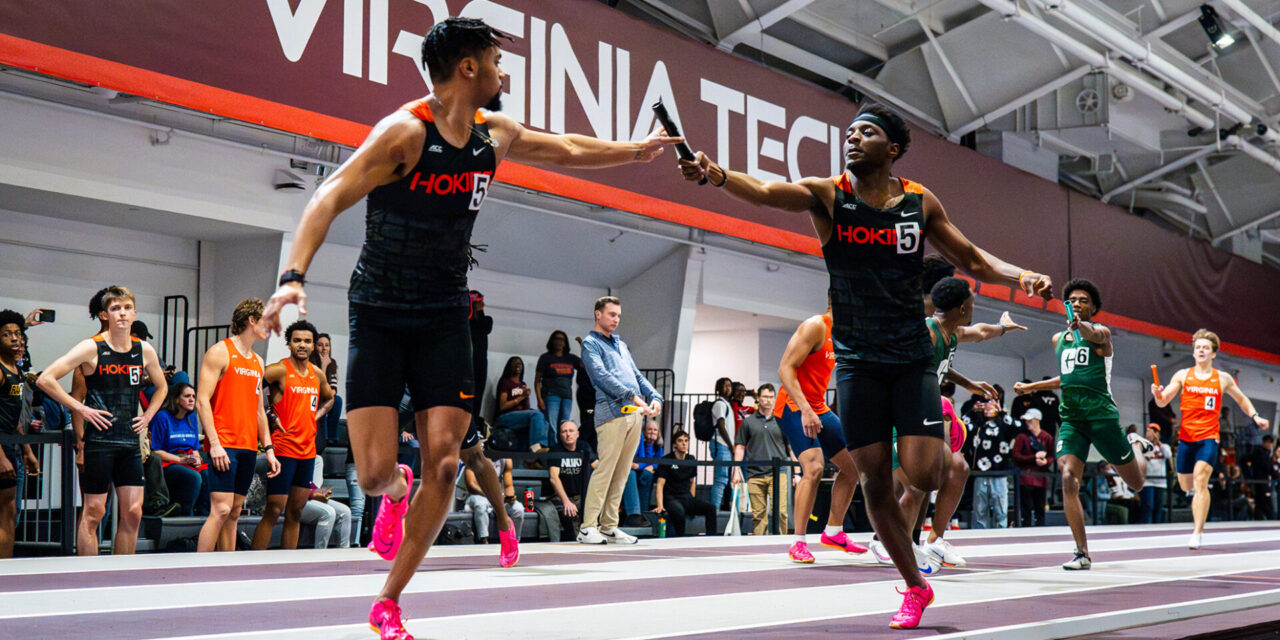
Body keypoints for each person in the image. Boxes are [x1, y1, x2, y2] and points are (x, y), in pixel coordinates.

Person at [258, 15, 679, 638]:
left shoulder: (496, 134)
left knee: (449, 465)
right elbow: (329, 196)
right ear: (468, 68)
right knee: (373, 473)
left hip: (446, 314)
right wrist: (293, 275)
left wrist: (637, 151)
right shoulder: (403, 133)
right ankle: (394, 494)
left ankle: (389, 599)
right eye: (496, 61)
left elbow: (565, 148)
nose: (504, 73)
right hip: (379, 310)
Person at [679, 103, 1053, 629]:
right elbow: (763, 191)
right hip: (856, 362)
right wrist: (715, 174)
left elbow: (971, 257)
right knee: (874, 478)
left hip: (910, 356)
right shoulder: (828, 195)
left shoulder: (919, 203)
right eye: (849, 132)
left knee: (926, 471)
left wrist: (1023, 275)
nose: (853, 139)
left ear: (893, 148)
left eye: (867, 132)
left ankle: (913, 531)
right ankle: (914, 587)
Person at [1014, 279, 1151, 570]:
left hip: (1102, 417)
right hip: (1072, 419)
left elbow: (1095, 334)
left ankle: (1136, 444)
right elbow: (1067, 377)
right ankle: (1082, 553)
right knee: (1067, 476)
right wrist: (1033, 387)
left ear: (1094, 308)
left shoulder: (1101, 333)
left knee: (1136, 484)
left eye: (1084, 300)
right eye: (1073, 299)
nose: (1077, 302)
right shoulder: (1058, 340)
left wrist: (1081, 326)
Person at [36, 287, 166, 556]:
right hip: (100, 442)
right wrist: (81, 409)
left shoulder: (145, 350)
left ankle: (121, 574)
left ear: (135, 313)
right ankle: (88, 576)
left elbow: (162, 388)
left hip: (129, 441)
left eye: (127, 307)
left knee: (133, 511)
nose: (122, 313)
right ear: (105, 314)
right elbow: (45, 379)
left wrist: (149, 415)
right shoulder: (92, 346)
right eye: (116, 308)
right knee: (95, 511)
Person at [1151, 328, 1271, 548]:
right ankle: (1195, 498)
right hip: (1186, 438)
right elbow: (1163, 400)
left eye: (1206, 348)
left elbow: (1241, 399)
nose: (1201, 351)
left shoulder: (1222, 379)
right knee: (1185, 484)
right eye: (1198, 348)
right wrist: (1158, 394)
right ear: (1194, 352)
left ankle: (1197, 532)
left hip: (1209, 437)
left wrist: (1255, 416)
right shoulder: (1182, 375)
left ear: (1213, 353)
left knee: (1200, 480)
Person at [774, 307, 868, 563]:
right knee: (814, 468)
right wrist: (805, 409)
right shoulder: (816, 326)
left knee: (854, 468)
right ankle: (798, 542)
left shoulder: (846, 334)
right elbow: (785, 369)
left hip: (818, 407)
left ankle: (834, 532)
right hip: (793, 406)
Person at [194, 298, 280, 553]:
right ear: (252, 321)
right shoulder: (221, 351)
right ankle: (197, 571)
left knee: (234, 513)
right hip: (224, 444)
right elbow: (201, 401)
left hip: (248, 446)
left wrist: (269, 448)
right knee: (220, 510)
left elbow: (258, 410)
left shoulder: (258, 361)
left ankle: (227, 571)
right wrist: (216, 445)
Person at [578, 296, 661, 544]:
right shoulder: (591, 344)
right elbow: (600, 377)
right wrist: (632, 396)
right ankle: (587, 527)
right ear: (598, 314)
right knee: (605, 470)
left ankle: (608, 525)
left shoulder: (621, 345)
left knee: (623, 472)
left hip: (634, 414)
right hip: (611, 414)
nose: (616, 319)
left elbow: (636, 375)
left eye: (618, 316)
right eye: (612, 314)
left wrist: (655, 395)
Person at [252, 320, 334, 550]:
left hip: (307, 452)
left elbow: (330, 398)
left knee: (296, 511)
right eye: (297, 340)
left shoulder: (317, 374)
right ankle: (253, 562)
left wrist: (316, 416)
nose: (302, 345)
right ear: (289, 343)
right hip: (283, 449)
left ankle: (289, 563)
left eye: (307, 341)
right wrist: (268, 413)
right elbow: (252, 388)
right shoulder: (279, 369)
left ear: (313, 346)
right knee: (274, 509)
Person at [0, 310, 41, 558]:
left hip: (12, 447)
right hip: (2, 450)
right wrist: (1, 457)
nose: (15, 339)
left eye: (18, 334)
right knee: (5, 512)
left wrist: (27, 450)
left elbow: (15, 417)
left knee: (9, 512)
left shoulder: (15, 371)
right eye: (7, 335)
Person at [732, 384, 791, 537]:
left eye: (771, 397)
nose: (768, 400)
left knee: (781, 512)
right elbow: (739, 446)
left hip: (779, 473)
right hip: (755, 473)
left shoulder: (781, 421)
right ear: (758, 398)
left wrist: (797, 473)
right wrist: (736, 470)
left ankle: (782, 543)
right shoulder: (748, 422)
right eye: (765, 397)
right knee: (758, 515)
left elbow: (790, 447)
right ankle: (760, 545)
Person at [148, 382, 212, 516]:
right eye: (187, 396)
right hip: (169, 460)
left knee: (208, 475)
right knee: (194, 477)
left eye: (193, 397)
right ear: (176, 399)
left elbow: (195, 447)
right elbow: (155, 451)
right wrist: (179, 459)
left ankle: (204, 517)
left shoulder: (192, 418)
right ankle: (185, 516)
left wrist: (197, 459)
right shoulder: (162, 417)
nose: (191, 400)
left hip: (188, 459)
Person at [533, 420, 597, 541]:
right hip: (559, 497)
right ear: (560, 435)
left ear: (577, 434)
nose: (568, 434)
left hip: (581, 496)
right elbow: (554, 477)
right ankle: (574, 544)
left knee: (592, 512)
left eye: (571, 431)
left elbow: (598, 467)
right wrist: (566, 501)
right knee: (569, 514)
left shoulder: (584, 447)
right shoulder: (557, 450)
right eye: (564, 431)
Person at [655, 430, 717, 537]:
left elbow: (692, 482)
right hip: (671, 498)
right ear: (674, 445)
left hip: (686, 497)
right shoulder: (667, 460)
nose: (684, 443)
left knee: (711, 508)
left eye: (686, 441)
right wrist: (660, 505)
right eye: (680, 441)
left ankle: (711, 538)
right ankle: (681, 539)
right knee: (679, 511)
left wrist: (691, 499)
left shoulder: (691, 459)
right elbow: (660, 484)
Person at [456, 450, 524, 544]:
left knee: (518, 508)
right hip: (477, 495)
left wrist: (509, 497)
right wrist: (492, 495)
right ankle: (484, 539)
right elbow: (472, 485)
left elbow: (508, 486)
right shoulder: (476, 456)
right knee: (481, 504)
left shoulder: (506, 460)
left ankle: (514, 540)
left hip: (497, 497)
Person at [494, 357, 551, 453]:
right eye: (514, 363)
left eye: (519, 364)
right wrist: (521, 397)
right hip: (505, 417)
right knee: (536, 414)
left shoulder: (522, 384)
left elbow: (526, 409)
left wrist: (526, 397)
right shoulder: (506, 382)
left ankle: (542, 452)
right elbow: (502, 406)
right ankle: (536, 448)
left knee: (543, 419)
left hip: (519, 416)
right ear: (509, 366)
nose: (517, 366)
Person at [1012, 408, 1055, 527]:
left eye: (1030, 420)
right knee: (1026, 507)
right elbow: (1016, 455)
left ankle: (1040, 528)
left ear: (1037, 420)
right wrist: (1033, 458)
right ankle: (1026, 527)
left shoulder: (1047, 437)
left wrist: (1046, 462)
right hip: (1025, 477)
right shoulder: (1022, 437)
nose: (1027, 423)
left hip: (1041, 478)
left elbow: (1052, 455)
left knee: (1040, 507)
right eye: (1026, 421)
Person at [536, 330, 582, 429]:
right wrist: (539, 399)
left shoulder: (571, 358)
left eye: (562, 339)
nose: (559, 342)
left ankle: (562, 444)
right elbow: (537, 381)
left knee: (564, 425)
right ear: (552, 341)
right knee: (551, 425)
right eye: (556, 339)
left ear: (565, 343)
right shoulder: (545, 358)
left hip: (567, 396)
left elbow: (585, 365)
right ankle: (552, 444)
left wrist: (582, 345)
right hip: (551, 395)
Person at [622, 420, 663, 525]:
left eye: (655, 430)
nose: (652, 432)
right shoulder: (640, 439)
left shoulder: (659, 447)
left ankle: (642, 514)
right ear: (644, 431)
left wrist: (652, 466)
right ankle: (634, 515)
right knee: (633, 474)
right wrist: (641, 465)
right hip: (635, 469)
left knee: (647, 475)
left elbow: (659, 462)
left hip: (645, 472)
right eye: (649, 429)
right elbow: (643, 458)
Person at [309, 333, 342, 445]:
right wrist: (323, 365)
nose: (324, 348)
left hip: (325, 395)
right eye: (320, 345)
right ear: (315, 347)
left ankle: (332, 437)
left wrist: (328, 396)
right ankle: (320, 436)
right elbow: (316, 386)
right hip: (311, 395)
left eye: (327, 345)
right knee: (322, 400)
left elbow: (333, 389)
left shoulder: (332, 363)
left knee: (337, 401)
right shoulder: (309, 363)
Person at [1137, 424, 1173, 524]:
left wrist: (1158, 442)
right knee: (1148, 505)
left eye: (1151, 432)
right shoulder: (1143, 446)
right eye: (1147, 431)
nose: (1148, 434)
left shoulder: (1164, 446)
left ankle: (1157, 526)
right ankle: (1146, 525)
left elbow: (1168, 455)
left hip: (1160, 482)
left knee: (1158, 506)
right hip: (1147, 481)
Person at [708, 377, 735, 512]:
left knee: (724, 480)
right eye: (725, 386)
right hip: (721, 445)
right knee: (720, 480)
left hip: (724, 446)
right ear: (718, 389)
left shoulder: (726, 404)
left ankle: (718, 509)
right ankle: (715, 511)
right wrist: (731, 445)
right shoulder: (720, 404)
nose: (728, 388)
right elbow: (721, 425)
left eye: (729, 385)